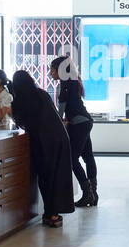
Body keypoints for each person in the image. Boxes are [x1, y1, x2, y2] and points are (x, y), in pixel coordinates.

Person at [9, 69, 74, 227]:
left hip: (43, 142)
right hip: (60, 138)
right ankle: (54, 213)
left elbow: (21, 122)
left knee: (46, 178)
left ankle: (51, 214)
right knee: (58, 177)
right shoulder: (41, 93)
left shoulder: (20, 100)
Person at [50, 55, 97, 207]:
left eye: (53, 69)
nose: (51, 72)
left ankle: (87, 193)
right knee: (88, 157)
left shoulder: (64, 85)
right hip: (85, 121)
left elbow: (60, 112)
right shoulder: (73, 82)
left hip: (79, 124)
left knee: (72, 159)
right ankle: (93, 193)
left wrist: (56, 123)